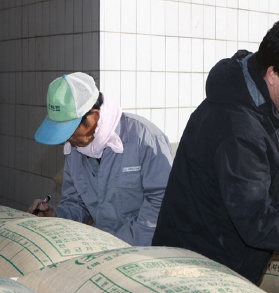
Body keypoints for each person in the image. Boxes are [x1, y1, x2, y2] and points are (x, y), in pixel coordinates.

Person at [152, 15, 279, 283]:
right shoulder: (238, 130)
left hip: (212, 257)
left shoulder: (252, 98)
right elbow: (255, 221)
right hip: (198, 270)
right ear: (272, 75)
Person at [28, 72, 173, 246]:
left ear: (93, 117)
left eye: (69, 131)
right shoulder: (76, 148)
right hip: (104, 248)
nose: (67, 140)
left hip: (145, 251)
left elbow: (161, 205)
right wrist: (56, 214)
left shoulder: (145, 139)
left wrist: (117, 244)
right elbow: (78, 205)